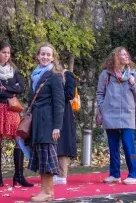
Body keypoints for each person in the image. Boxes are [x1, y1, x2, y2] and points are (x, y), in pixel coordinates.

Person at [0, 40, 31, 188]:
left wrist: (6, 88)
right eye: (4, 52)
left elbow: (21, 87)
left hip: (11, 108)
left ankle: (19, 176)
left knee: (18, 138)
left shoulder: (13, 70)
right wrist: (12, 89)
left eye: (8, 53)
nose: (6, 55)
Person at [96, 47, 136, 185]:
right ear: (115, 57)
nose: (126, 56)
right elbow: (100, 94)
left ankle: (133, 175)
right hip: (110, 114)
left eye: (127, 54)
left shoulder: (132, 74)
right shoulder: (106, 74)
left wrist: (133, 83)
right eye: (122, 54)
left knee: (129, 145)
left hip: (127, 114)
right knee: (113, 146)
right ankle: (115, 174)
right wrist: (103, 108)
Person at [25, 43, 65, 202]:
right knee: (42, 156)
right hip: (37, 120)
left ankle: (47, 192)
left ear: (53, 58)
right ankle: (46, 191)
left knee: (47, 156)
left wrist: (57, 126)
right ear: (37, 56)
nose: (45, 57)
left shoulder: (54, 76)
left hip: (48, 122)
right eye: (42, 54)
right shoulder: (35, 74)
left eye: (48, 55)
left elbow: (59, 103)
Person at [55, 52, 78, 185]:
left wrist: (55, 93)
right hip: (54, 111)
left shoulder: (67, 75)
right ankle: (55, 172)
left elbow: (70, 93)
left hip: (64, 112)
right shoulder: (52, 75)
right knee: (56, 143)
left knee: (62, 143)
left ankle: (62, 174)